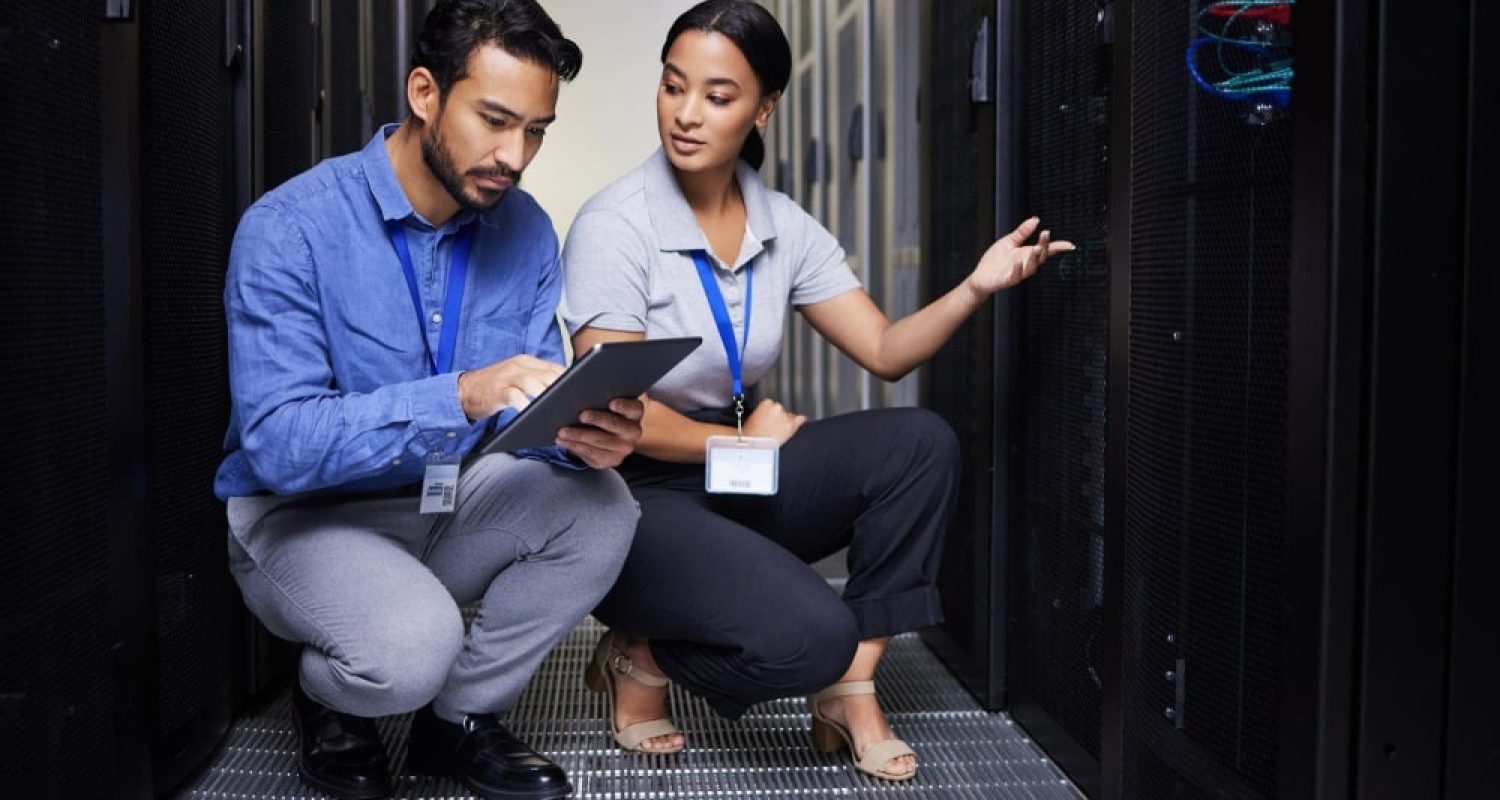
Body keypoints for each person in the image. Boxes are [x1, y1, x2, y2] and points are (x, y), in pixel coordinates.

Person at [560, 0, 1075, 783]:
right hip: (633, 495)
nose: (686, 115)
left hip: (736, 468)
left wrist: (977, 285)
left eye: (718, 96)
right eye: (673, 87)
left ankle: (851, 684)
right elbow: (609, 416)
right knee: (804, 634)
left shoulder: (782, 224)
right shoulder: (615, 225)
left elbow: (885, 350)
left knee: (920, 443)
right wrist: (742, 440)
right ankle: (647, 655)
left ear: (764, 106)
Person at [215, 2, 646, 798]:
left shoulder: (525, 232)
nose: (515, 155)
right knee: (411, 649)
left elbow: (523, 414)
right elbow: (276, 442)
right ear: (424, 92)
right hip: (307, 516)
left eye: (537, 130)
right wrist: (458, 395)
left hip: (445, 501)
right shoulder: (290, 229)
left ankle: (458, 723)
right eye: (494, 120)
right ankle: (328, 691)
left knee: (604, 506)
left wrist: (581, 433)